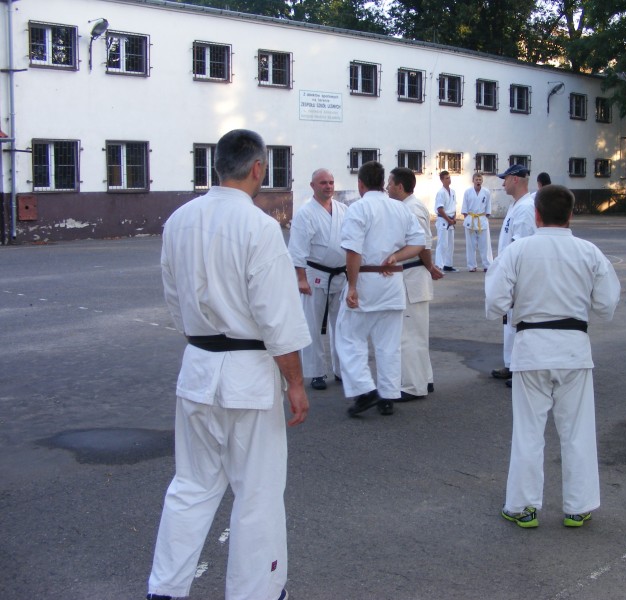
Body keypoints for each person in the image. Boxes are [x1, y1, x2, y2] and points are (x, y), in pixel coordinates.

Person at [147, 129, 310, 600]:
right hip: (249, 374)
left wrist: (202, 336)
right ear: (258, 168)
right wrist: (295, 383)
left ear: (216, 165)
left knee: (192, 485)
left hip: (198, 367)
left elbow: (175, 300)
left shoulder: (179, 221)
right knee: (257, 491)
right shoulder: (260, 227)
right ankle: (256, 592)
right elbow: (277, 318)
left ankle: (165, 589)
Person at [485, 184, 620, 529]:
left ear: (536, 214)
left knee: (528, 432)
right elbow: (606, 306)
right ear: (571, 214)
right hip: (573, 350)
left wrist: (519, 300)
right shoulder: (589, 252)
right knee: (577, 432)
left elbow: (495, 303)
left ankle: (523, 507)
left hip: (531, 348)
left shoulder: (518, 251)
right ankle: (578, 507)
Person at [335, 161, 425, 417]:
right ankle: (388, 395)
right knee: (388, 343)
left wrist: (352, 286)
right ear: (383, 182)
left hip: (366, 281)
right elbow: (419, 243)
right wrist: (396, 256)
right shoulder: (399, 208)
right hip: (392, 283)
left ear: (360, 184)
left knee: (348, 337)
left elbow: (353, 251)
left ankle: (365, 390)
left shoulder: (359, 208)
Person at [386, 166, 444, 400]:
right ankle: (424, 379)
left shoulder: (413, 208)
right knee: (415, 332)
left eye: (390, 183)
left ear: (400, 187)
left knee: (410, 334)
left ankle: (412, 386)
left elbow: (423, 244)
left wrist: (429, 267)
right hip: (410, 275)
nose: (387, 187)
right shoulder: (406, 207)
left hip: (413, 276)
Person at [287, 168, 347, 391]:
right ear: (313, 186)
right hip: (315, 275)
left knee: (342, 325)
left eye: (331, 182)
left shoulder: (343, 209)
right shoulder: (305, 213)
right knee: (313, 325)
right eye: (323, 183)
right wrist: (301, 279)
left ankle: (342, 370)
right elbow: (297, 250)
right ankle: (316, 372)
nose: (328, 186)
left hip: (341, 275)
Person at [491, 165, 539, 386]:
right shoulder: (516, 205)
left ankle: (520, 369)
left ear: (516, 180)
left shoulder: (526, 208)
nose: (503, 183)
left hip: (517, 274)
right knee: (509, 321)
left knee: (519, 321)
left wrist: (510, 275)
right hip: (508, 272)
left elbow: (520, 246)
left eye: (506, 179)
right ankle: (511, 364)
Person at [461, 173, 493, 272]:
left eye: (480, 179)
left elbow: (488, 208)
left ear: (482, 181)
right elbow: (464, 208)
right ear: (473, 181)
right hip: (471, 219)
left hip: (481, 219)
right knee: (470, 245)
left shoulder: (486, 192)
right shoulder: (467, 192)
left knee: (485, 245)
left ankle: (487, 265)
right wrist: (467, 219)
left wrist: (485, 217)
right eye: (476, 179)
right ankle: (471, 266)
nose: (478, 181)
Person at [434, 170, 458, 272]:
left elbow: (454, 207)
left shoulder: (453, 192)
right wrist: (448, 220)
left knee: (450, 244)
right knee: (442, 244)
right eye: (447, 178)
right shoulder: (441, 193)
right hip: (443, 220)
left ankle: (448, 265)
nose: (449, 180)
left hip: (451, 220)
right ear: (442, 180)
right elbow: (440, 209)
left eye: (449, 177)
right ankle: (439, 266)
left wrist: (454, 218)